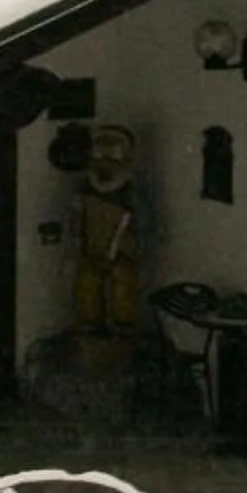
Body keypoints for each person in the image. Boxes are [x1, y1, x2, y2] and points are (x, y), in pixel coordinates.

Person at [73, 123, 140, 335]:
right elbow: (78, 220)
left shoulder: (131, 192)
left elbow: (141, 225)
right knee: (88, 282)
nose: (105, 164)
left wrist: (126, 248)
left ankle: (123, 329)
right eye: (100, 156)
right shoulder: (85, 189)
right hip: (93, 248)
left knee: (123, 282)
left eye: (112, 158)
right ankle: (91, 327)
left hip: (122, 251)